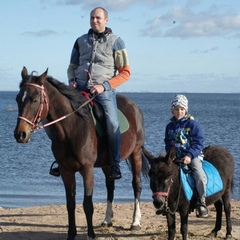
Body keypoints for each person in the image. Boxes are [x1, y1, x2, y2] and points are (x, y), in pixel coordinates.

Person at [49, 7, 130, 180]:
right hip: (78, 90)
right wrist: (71, 80)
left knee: (113, 123)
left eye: (98, 18)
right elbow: (72, 67)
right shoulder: (80, 41)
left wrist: (104, 86)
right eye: (92, 18)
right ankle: (60, 159)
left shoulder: (117, 42)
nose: (95, 21)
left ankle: (115, 163)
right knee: (51, 118)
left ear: (106, 20)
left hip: (103, 91)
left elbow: (125, 73)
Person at [164, 94, 208, 218]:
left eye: (182, 109)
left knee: (198, 174)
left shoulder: (193, 125)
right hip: (175, 157)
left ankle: (201, 201)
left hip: (192, 156)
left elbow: (198, 143)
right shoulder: (169, 126)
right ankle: (166, 202)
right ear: (172, 110)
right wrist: (170, 155)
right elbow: (168, 142)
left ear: (186, 110)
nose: (179, 112)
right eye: (177, 109)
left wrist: (189, 155)